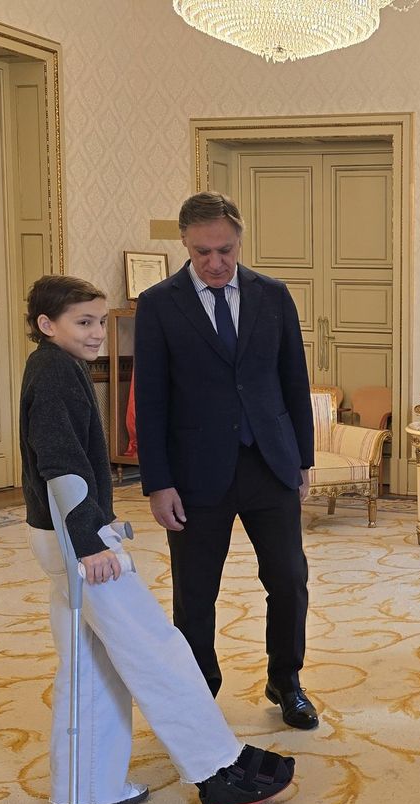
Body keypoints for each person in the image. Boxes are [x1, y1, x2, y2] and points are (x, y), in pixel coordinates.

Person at [20, 275, 295, 804]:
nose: (98, 333)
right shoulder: (54, 375)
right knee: (156, 649)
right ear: (46, 326)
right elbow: (60, 466)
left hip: (63, 536)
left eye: (100, 321)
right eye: (84, 322)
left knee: (91, 663)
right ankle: (218, 769)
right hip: (80, 541)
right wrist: (90, 542)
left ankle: (87, 785)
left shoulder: (54, 366)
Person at [134, 192, 318, 730]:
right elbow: (151, 400)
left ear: (240, 240)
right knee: (195, 592)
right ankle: (198, 689)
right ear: (185, 246)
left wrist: (302, 459)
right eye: (202, 252)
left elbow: (292, 381)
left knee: (288, 579)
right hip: (195, 474)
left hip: (270, 463)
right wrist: (157, 482)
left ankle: (286, 680)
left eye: (226, 251)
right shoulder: (159, 304)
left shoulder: (274, 296)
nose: (215, 263)